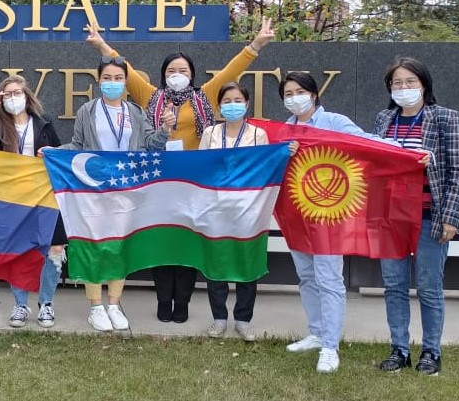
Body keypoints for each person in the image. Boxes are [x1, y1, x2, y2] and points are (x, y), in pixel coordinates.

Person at [84, 21, 276, 324]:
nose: (177, 76)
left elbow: (231, 72)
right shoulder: (150, 97)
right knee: (161, 239)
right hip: (157, 181)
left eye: (183, 71)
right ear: (163, 75)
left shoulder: (207, 96)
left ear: (192, 75)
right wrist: (101, 45)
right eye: (172, 71)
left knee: (187, 240)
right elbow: (126, 69)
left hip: (193, 183)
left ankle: (182, 301)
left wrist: (257, 44)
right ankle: (163, 299)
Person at [278, 72, 422, 374]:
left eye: (300, 91)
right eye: (288, 94)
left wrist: (406, 152)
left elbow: (369, 143)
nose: (294, 98)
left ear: (314, 94)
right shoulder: (283, 130)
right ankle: (316, 332)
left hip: (329, 214)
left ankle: (330, 346)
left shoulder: (334, 122)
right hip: (297, 215)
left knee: (329, 279)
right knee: (306, 276)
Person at [51, 57, 173, 332]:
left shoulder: (136, 112)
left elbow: (151, 147)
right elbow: (78, 145)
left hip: (127, 190)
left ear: (126, 82)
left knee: (120, 246)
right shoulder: (87, 110)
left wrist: (165, 129)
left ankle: (114, 304)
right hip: (93, 189)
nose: (113, 83)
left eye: (118, 78)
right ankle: (95, 306)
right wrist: (54, 151)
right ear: (98, 81)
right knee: (95, 245)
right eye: (107, 77)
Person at [373, 58, 459, 376]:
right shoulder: (385, 118)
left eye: (410, 82)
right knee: (394, 286)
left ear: (424, 84)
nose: (404, 88)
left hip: (430, 217)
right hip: (391, 219)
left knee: (428, 287)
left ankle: (431, 352)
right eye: (397, 83)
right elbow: (375, 165)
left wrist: (451, 217)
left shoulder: (445, 118)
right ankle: (399, 349)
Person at [198, 82, 296, 342]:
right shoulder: (210, 133)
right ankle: (219, 319)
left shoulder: (257, 135)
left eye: (237, 100)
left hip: (249, 210)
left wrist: (285, 154)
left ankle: (243, 320)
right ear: (219, 107)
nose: (232, 105)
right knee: (216, 264)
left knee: (247, 264)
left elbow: (266, 167)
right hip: (216, 208)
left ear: (247, 104)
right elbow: (199, 170)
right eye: (227, 101)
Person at [0, 75, 68, 328]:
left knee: (55, 249)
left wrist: (51, 154)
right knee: (20, 251)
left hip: (45, 197)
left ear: (27, 96)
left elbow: (59, 157)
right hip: (13, 200)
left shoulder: (44, 124)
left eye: (18, 93)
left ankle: (46, 304)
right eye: (8, 94)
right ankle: (20, 305)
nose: (14, 98)